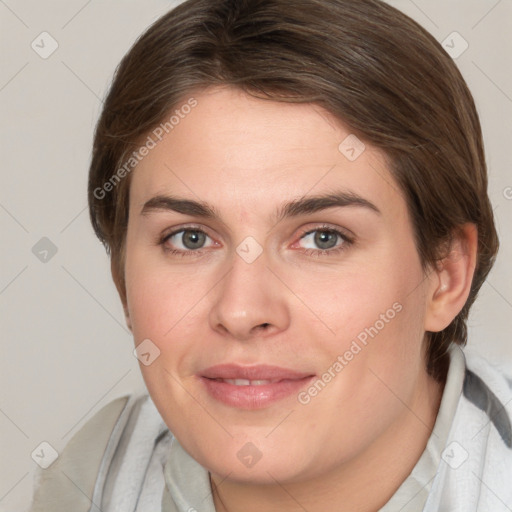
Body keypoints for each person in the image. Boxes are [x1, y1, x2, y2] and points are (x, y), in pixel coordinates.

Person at [29, 0, 512, 511]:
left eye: (323, 238)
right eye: (189, 238)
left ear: (446, 273)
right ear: (121, 278)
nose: (241, 311)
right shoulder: (90, 481)